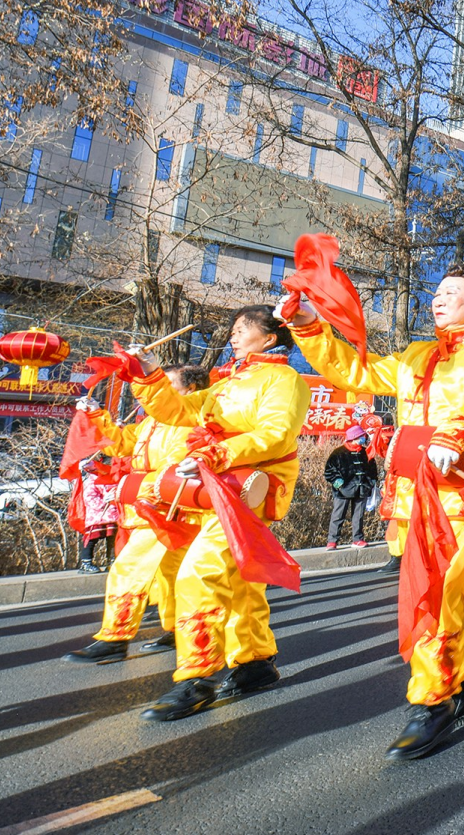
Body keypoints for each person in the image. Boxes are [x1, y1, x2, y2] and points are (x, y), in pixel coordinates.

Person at [286, 263, 464, 760]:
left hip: (460, 486)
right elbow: (356, 371)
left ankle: (433, 698)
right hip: (416, 485)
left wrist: (457, 431)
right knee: (447, 589)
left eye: (450, 292)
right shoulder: (416, 354)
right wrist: (309, 325)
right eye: (437, 291)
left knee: (433, 587)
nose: (438, 298)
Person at [126, 306, 311, 721]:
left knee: (200, 572)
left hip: (248, 488)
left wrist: (214, 453)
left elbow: (277, 434)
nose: (233, 335)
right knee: (242, 579)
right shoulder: (227, 381)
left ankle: (197, 677)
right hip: (215, 485)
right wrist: (149, 373)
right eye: (233, 329)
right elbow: (179, 411)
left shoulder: (285, 380)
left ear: (269, 338)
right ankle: (254, 661)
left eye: (243, 329)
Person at [63, 365, 210, 664]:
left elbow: (174, 471)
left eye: (166, 384)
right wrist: (96, 415)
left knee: (128, 568)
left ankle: (115, 637)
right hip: (152, 507)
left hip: (167, 509)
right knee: (171, 574)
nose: (155, 390)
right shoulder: (152, 421)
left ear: (190, 389)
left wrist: (133, 488)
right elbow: (121, 443)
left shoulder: (191, 423)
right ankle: (179, 630)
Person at [324, 425, 378, 551]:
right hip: (343, 491)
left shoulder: (366, 452)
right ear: (354, 438)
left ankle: (358, 539)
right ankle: (332, 541)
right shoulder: (338, 453)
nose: (364, 438)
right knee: (338, 515)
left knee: (358, 516)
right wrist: (340, 484)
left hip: (362, 489)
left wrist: (370, 482)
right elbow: (329, 472)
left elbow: (373, 470)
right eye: (361, 436)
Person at [75, 453, 119, 573]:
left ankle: (112, 560)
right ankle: (86, 562)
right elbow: (89, 497)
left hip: (113, 515)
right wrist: (103, 502)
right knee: (91, 540)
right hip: (97, 516)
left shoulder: (115, 478)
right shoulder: (92, 480)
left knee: (113, 539)